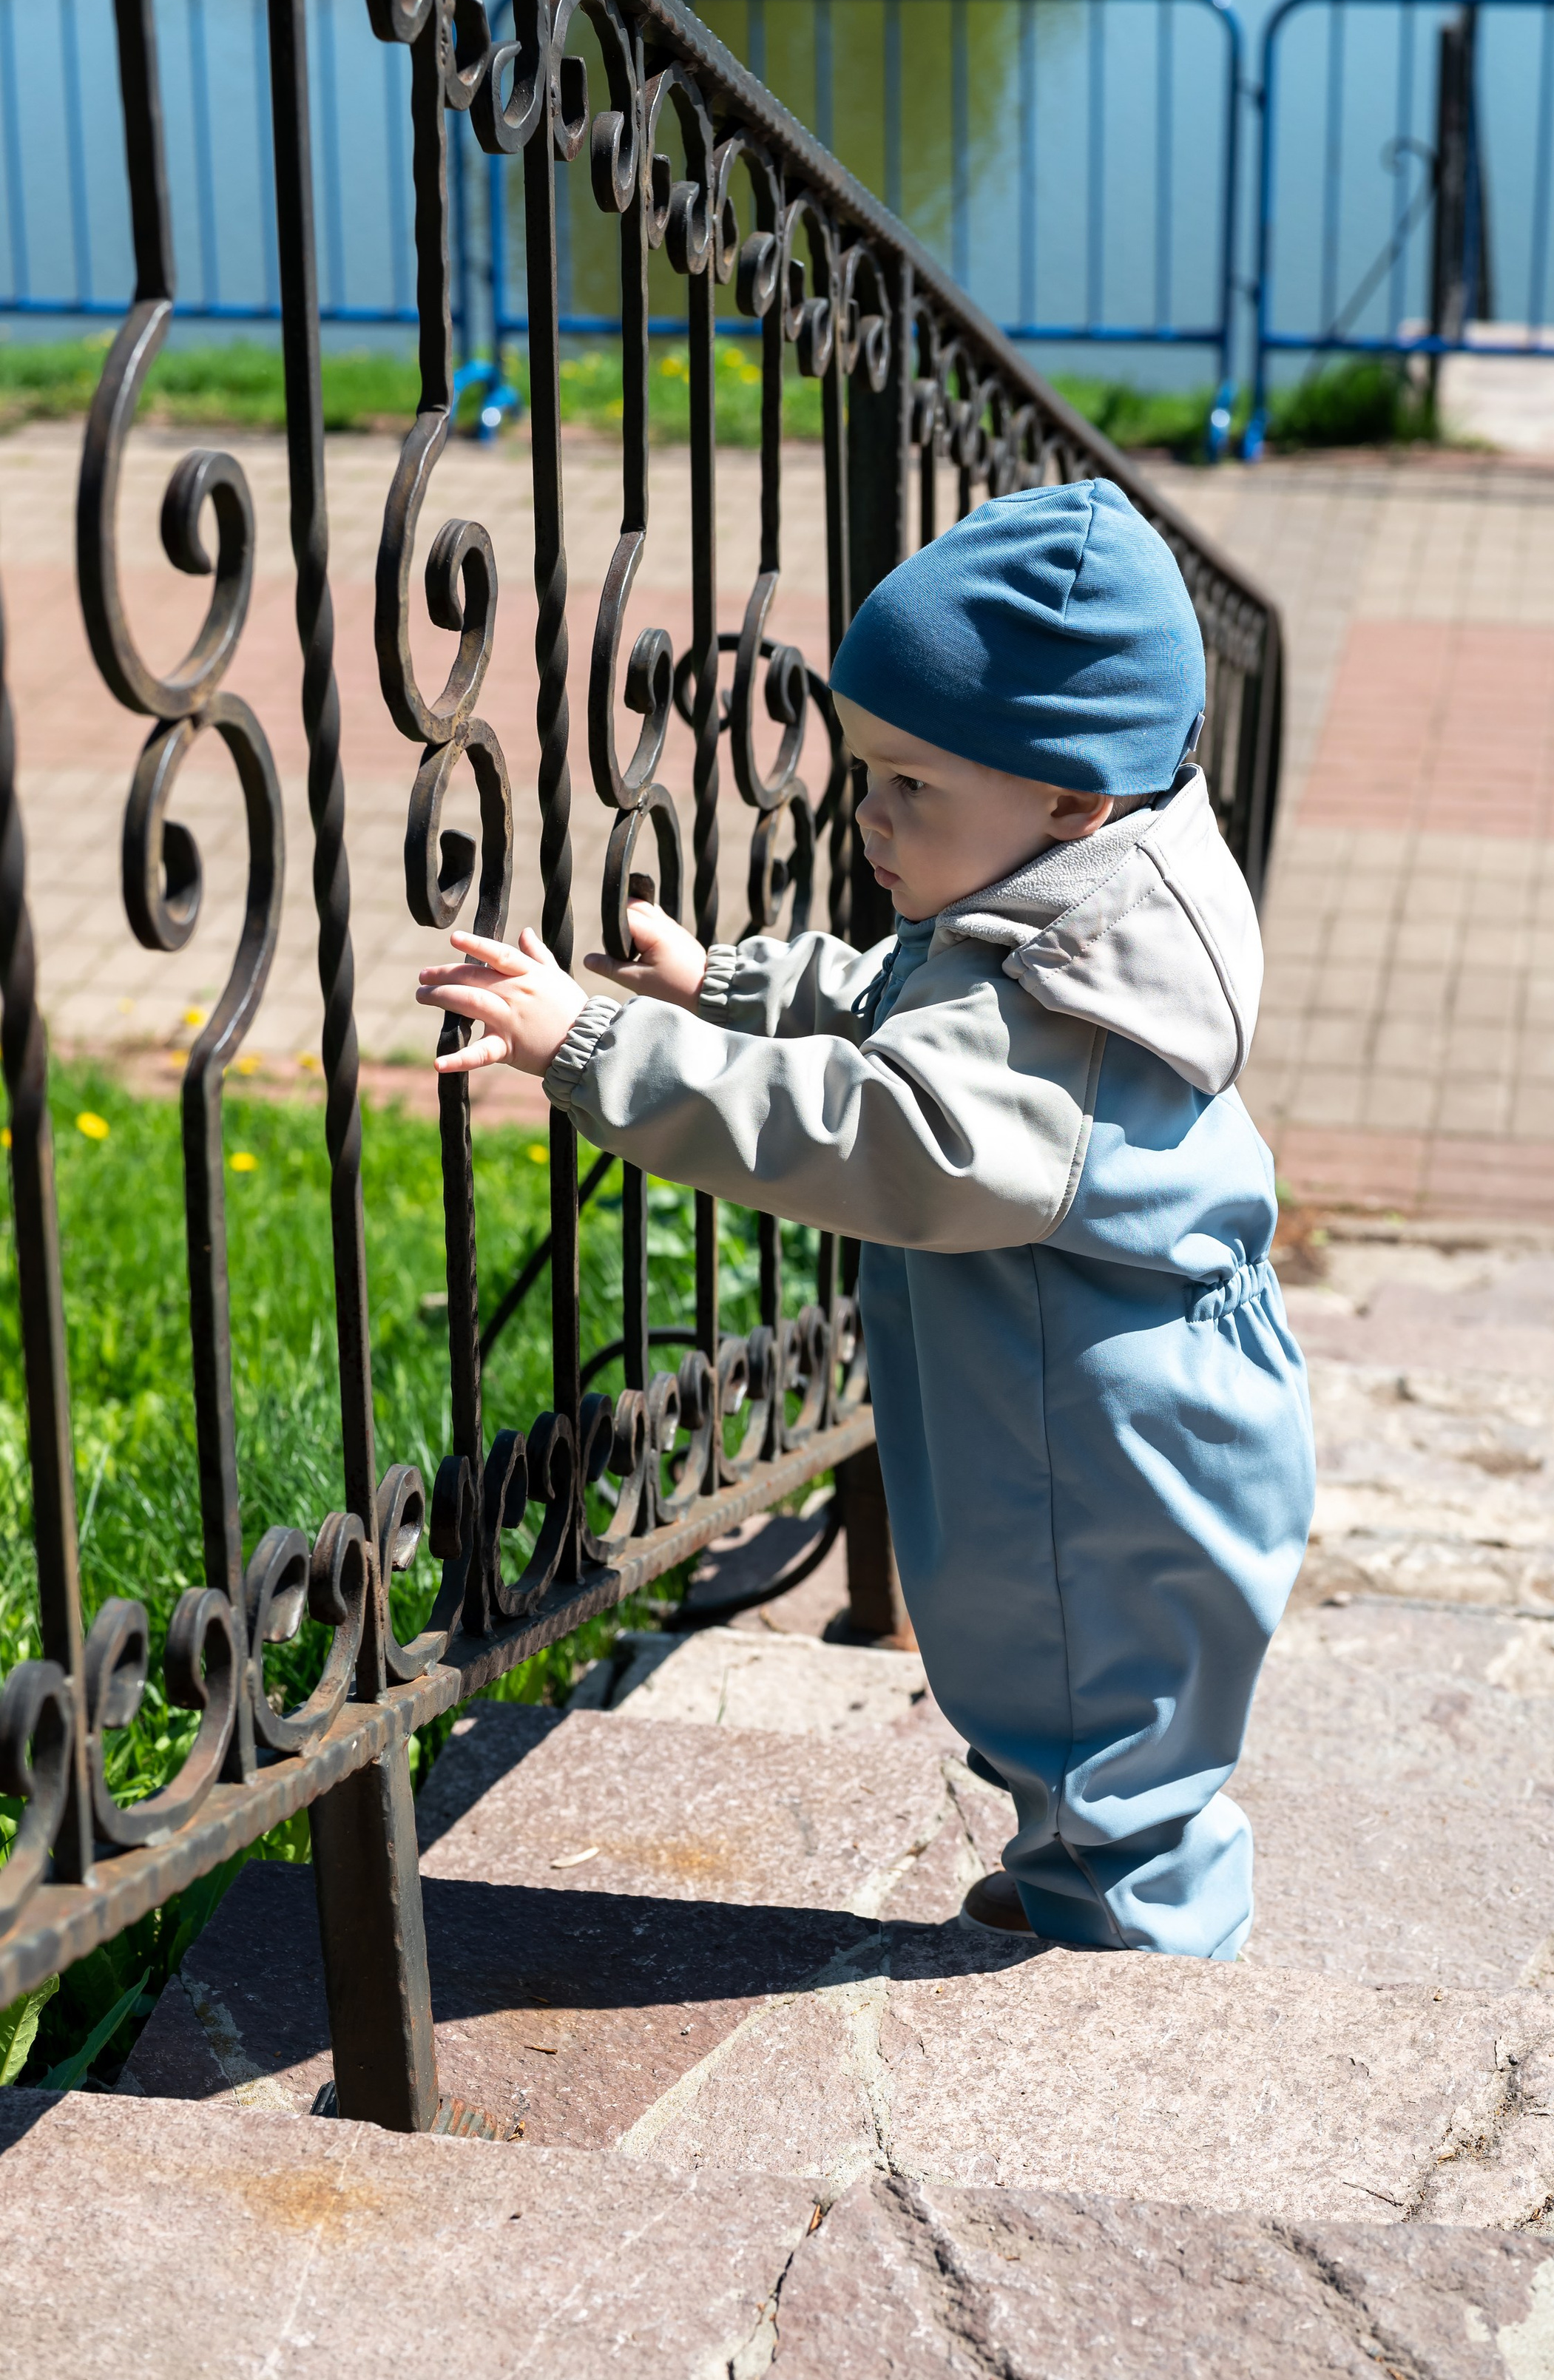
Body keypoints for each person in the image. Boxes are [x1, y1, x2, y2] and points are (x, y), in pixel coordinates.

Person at [416, 477, 1314, 1959]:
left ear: (1069, 799)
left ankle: (1143, 2002)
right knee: (1075, 1731)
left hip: (1105, 1474)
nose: (869, 814)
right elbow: (908, 999)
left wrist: (588, 1047)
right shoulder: (1068, 910)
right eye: (866, 770)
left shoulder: (1062, 1019)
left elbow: (865, 1129)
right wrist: (723, 982)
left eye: (911, 785)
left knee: (1114, 1766)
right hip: (1105, 1432)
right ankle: (1073, 1888)